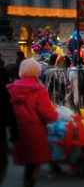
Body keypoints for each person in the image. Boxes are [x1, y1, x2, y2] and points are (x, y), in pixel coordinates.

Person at [6, 58, 58, 187]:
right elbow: (47, 114)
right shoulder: (39, 91)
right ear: (37, 72)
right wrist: (55, 115)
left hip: (17, 129)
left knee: (27, 162)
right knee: (33, 163)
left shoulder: (10, 89)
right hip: (35, 130)